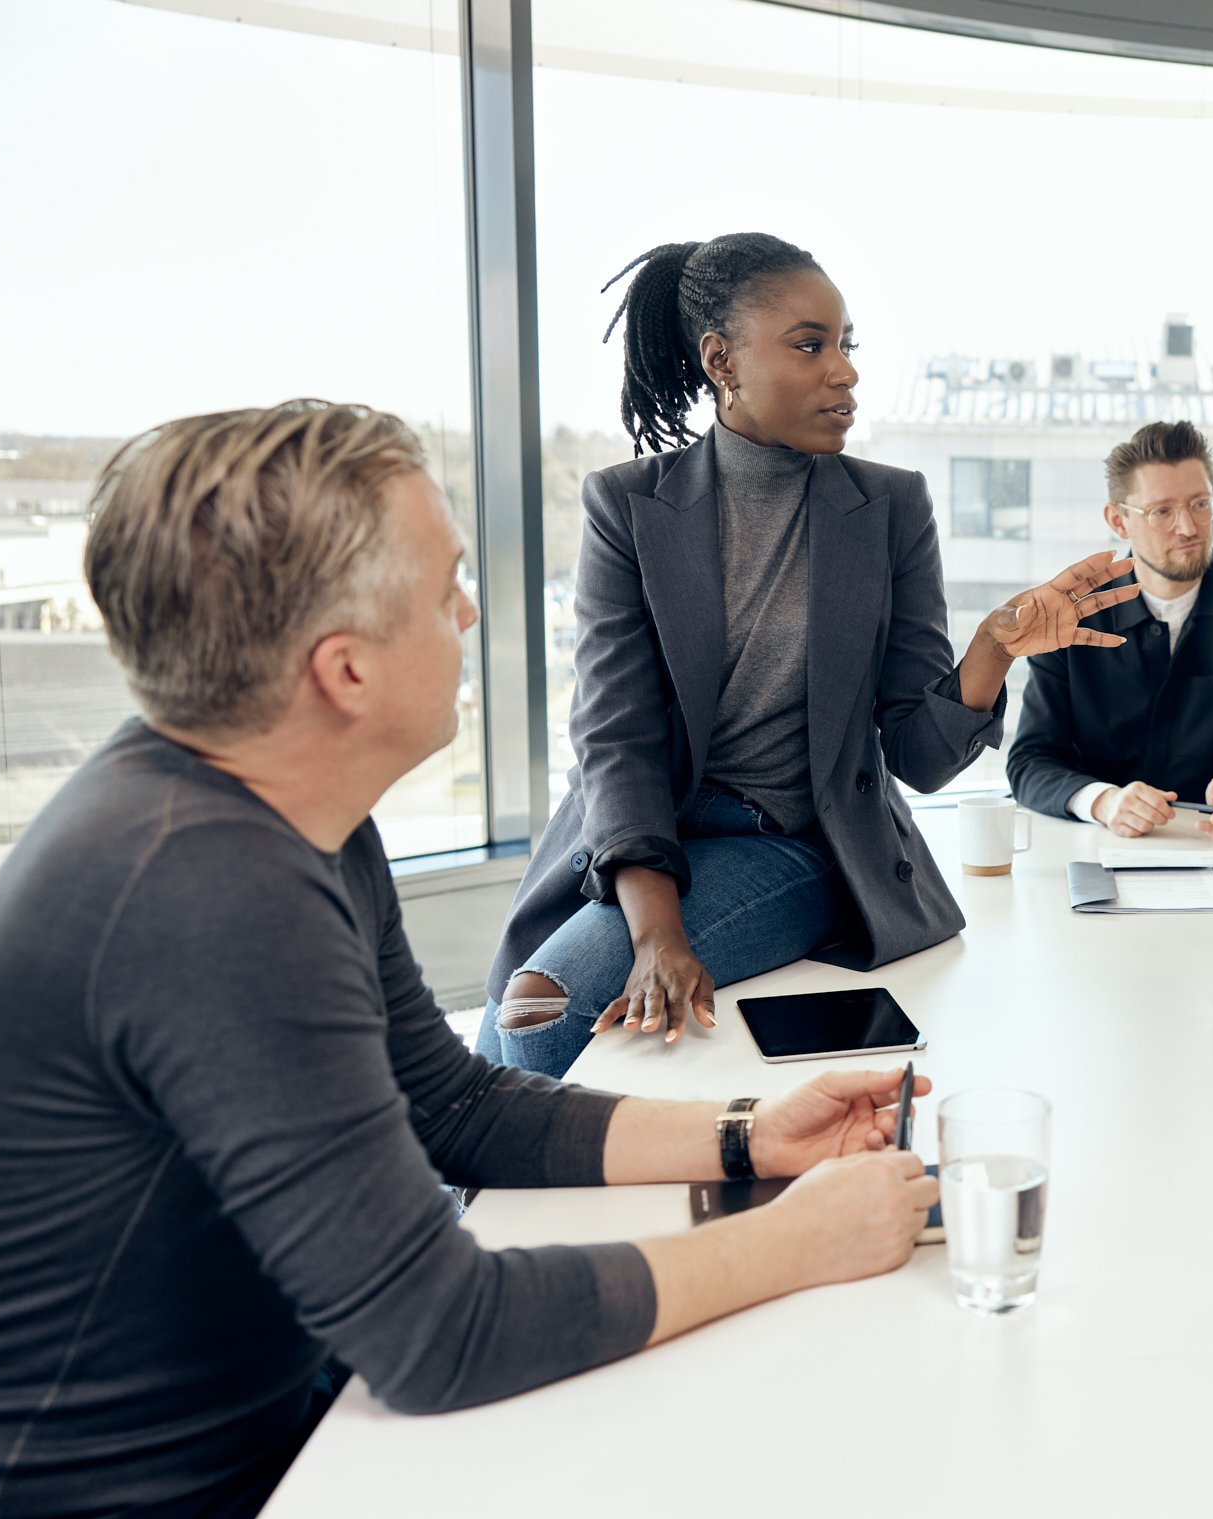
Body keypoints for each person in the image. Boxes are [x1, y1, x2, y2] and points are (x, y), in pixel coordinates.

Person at [0, 402, 939, 1519]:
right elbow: (439, 1334)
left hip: (262, 1430)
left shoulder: (281, 805)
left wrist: (742, 1134)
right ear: (346, 669)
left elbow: (449, 1107)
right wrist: (791, 1240)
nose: (468, 614)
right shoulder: (207, 887)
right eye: (444, 588)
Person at [483, 234, 1139, 1077]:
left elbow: (916, 757)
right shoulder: (628, 505)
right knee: (502, 1035)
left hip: (790, 840)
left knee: (540, 1020)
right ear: (722, 360)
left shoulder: (887, 506)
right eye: (809, 344)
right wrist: (656, 936)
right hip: (641, 836)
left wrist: (991, 649)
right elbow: (617, 738)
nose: (845, 371)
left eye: (846, 344)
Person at [1004, 420, 1213, 840]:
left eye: (1201, 504)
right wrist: (1104, 801)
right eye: (1162, 511)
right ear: (1119, 521)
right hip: (1099, 847)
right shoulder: (1070, 613)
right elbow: (1030, 761)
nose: (1188, 528)